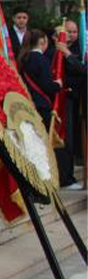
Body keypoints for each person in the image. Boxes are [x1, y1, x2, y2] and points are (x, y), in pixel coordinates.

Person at [59, 19, 86, 190]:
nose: (72, 35)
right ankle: (66, 176)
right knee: (65, 138)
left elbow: (83, 70)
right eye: (68, 31)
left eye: (75, 31)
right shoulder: (56, 49)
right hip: (64, 99)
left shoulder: (80, 49)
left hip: (80, 99)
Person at [18, 30, 58, 130]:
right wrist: (58, 85)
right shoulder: (41, 59)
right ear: (42, 42)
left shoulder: (23, 58)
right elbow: (47, 86)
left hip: (27, 104)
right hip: (42, 106)